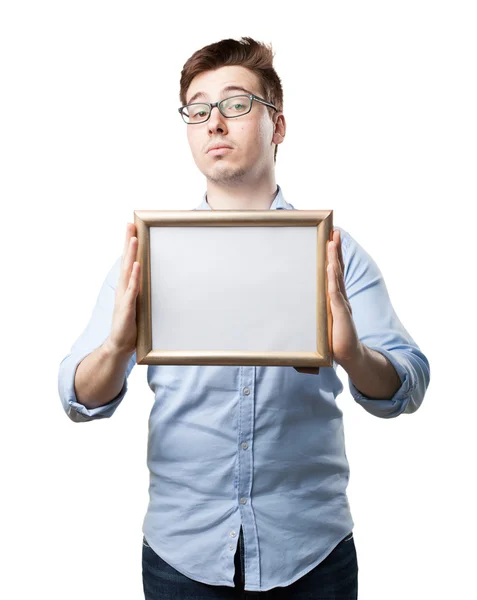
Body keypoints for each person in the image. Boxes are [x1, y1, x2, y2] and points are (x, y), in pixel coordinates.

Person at [58, 37, 430, 599]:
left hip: (311, 553)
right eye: (198, 108)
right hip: (182, 555)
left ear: (278, 126)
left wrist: (352, 355)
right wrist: (115, 347)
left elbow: (407, 384)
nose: (214, 123)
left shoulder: (334, 252)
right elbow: (77, 397)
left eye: (235, 104)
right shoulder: (149, 255)